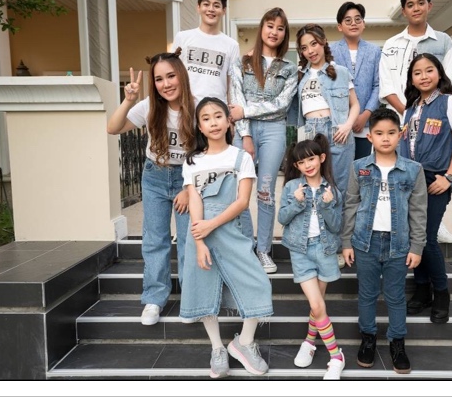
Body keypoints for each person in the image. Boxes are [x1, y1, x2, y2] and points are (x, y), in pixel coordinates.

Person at [179, 97, 273, 379]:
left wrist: (211, 225)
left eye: (218, 116)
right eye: (206, 118)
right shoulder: (192, 161)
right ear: (199, 126)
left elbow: (242, 202)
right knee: (204, 288)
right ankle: (217, 348)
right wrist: (199, 241)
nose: (213, 122)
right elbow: (194, 200)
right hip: (200, 234)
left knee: (258, 282)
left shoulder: (241, 158)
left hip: (231, 229)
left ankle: (243, 342)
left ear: (228, 120)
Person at [107, 49, 195, 326]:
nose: (166, 84)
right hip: (155, 176)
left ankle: (191, 299)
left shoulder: (197, 107)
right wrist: (128, 100)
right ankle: (155, 299)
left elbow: (205, 153)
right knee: (155, 239)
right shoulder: (148, 106)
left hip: (187, 178)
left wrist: (189, 188)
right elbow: (113, 128)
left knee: (188, 240)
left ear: (182, 76)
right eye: (159, 79)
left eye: (171, 76)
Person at [341, 107, 427, 374]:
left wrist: (417, 246)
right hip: (364, 243)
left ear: (400, 135)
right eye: (379, 133)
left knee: (395, 296)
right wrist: (346, 242)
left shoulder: (413, 170)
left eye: (391, 132)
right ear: (370, 137)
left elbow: (418, 211)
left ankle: (397, 343)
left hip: (398, 244)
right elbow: (351, 205)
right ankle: (368, 338)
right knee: (367, 294)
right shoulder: (359, 168)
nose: (385, 138)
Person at [379, 0, 452, 244]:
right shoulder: (391, 44)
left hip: (433, 117)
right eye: (410, 5)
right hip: (397, 118)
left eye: (420, 3)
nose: (416, 8)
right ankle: (397, 225)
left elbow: (448, 82)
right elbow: (386, 86)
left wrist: (423, 114)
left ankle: (435, 222)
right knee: (399, 173)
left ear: (429, 6)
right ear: (404, 10)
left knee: (430, 171)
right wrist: (410, 113)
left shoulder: (443, 42)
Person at [399, 53, 452, 324]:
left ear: (439, 73)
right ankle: (422, 290)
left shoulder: (450, 102)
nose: (424, 76)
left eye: (429, 70)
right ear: (411, 79)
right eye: (417, 73)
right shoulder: (410, 108)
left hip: (435, 179)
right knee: (414, 237)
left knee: (427, 237)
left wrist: (449, 177)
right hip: (410, 179)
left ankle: (441, 293)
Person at [228, 7, 298, 274]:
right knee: (241, 191)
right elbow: (236, 101)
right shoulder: (243, 63)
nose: (274, 32)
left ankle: (264, 250)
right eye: (270, 26)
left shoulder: (289, 69)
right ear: (261, 28)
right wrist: (245, 134)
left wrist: (246, 111)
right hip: (244, 132)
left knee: (265, 192)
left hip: (273, 132)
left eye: (280, 28)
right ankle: (247, 246)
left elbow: (281, 105)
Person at [291, 23, 360, 270]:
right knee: (314, 189)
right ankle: (318, 244)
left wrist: (348, 125)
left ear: (323, 43)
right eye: (304, 47)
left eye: (314, 44)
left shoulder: (340, 72)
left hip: (338, 132)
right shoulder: (299, 77)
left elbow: (355, 104)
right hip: (310, 133)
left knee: (339, 190)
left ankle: (341, 246)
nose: (310, 50)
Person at [278, 134, 345, 380]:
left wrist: (327, 205)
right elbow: (282, 218)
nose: (307, 165)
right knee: (317, 305)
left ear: (321, 158)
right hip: (301, 251)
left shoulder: (333, 191)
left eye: (311, 159)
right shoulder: (291, 188)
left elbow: (336, 226)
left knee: (318, 305)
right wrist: (297, 203)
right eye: (301, 162)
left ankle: (309, 341)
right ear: (296, 166)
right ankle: (336, 356)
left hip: (325, 250)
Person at [172, 0, 240, 104]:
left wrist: (232, 111)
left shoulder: (232, 45)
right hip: (187, 109)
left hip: (217, 111)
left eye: (216, 5)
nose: (211, 9)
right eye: (206, 4)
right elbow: (172, 74)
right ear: (198, 7)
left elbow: (232, 87)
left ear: (223, 10)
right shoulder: (182, 38)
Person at [330, 1, 382, 160]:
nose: (353, 23)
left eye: (358, 19)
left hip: (365, 125)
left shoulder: (375, 51)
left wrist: (365, 114)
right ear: (340, 26)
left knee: (362, 168)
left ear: (363, 24)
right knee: (340, 169)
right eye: (348, 20)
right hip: (338, 125)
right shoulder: (330, 51)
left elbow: (378, 85)